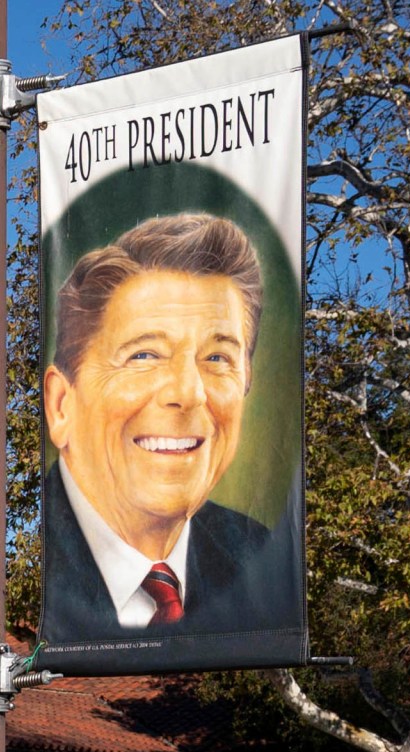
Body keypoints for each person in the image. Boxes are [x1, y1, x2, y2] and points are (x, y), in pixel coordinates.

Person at [41, 212, 294, 637]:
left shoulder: (257, 558)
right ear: (61, 405)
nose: (189, 392)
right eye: (144, 355)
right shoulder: (14, 564)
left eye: (218, 358)